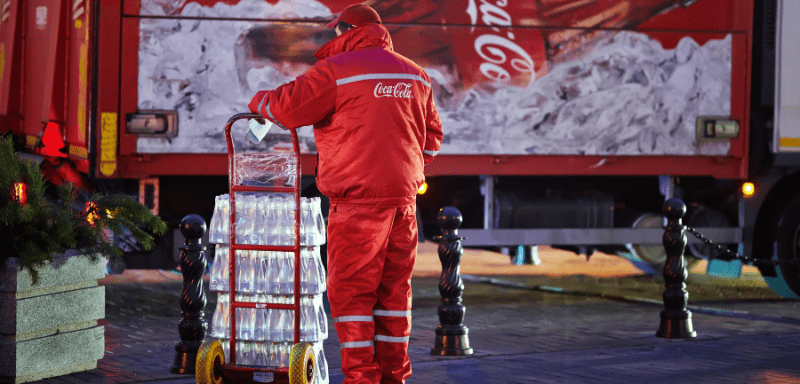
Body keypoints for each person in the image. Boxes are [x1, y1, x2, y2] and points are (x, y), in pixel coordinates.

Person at [247, 3, 443, 383]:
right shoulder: (415, 74)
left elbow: (287, 108)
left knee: (352, 295)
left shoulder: (336, 71)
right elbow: (431, 138)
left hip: (357, 203)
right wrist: (405, 169)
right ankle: (394, 375)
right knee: (394, 294)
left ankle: (361, 377)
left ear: (345, 31)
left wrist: (257, 101)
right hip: (403, 203)